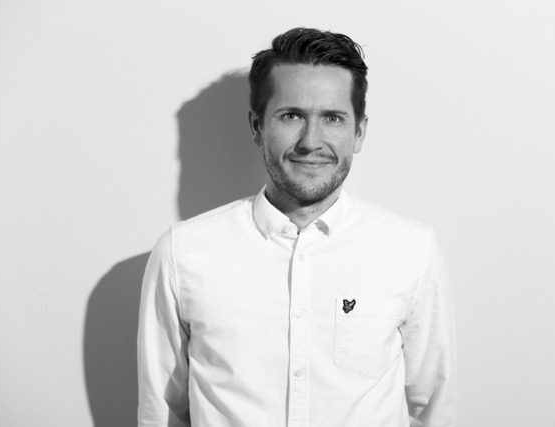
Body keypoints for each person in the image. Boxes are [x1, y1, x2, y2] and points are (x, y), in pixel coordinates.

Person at [137, 27, 456, 427]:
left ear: (359, 132)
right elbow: (161, 412)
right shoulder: (182, 254)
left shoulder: (411, 250)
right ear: (257, 126)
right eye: (291, 116)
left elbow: (434, 410)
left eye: (333, 118)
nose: (310, 141)